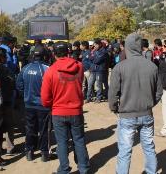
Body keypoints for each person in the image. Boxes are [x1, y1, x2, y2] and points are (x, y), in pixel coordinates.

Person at [108, 33, 162, 174]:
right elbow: (159, 92)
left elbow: (113, 94)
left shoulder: (119, 67)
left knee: (125, 151)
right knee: (149, 147)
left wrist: (115, 108)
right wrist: (150, 104)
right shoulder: (152, 67)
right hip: (147, 114)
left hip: (127, 115)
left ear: (127, 47)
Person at [41, 42, 90, 174]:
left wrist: (50, 105)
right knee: (79, 140)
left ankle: (64, 169)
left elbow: (45, 98)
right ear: (68, 52)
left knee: (62, 142)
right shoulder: (79, 66)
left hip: (58, 112)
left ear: (53, 54)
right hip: (76, 110)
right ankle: (84, 168)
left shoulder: (50, 71)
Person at [16, 46, 51, 162]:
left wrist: (26, 96)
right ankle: (44, 153)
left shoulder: (25, 68)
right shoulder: (47, 69)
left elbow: (19, 86)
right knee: (43, 129)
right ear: (44, 55)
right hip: (43, 105)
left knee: (30, 128)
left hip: (29, 104)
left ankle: (29, 152)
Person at [0, 49, 17, 155]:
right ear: (0, 58)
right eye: (4, 57)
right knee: (9, 125)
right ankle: (10, 147)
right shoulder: (5, 69)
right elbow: (12, 82)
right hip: (6, 100)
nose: (6, 58)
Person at [87, 39, 109, 103]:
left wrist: (92, 57)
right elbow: (90, 58)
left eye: (95, 45)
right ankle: (88, 98)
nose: (94, 47)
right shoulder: (94, 51)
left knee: (99, 85)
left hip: (100, 70)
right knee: (90, 84)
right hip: (94, 70)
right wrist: (92, 56)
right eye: (94, 45)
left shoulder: (104, 51)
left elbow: (97, 60)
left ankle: (98, 98)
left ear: (99, 44)